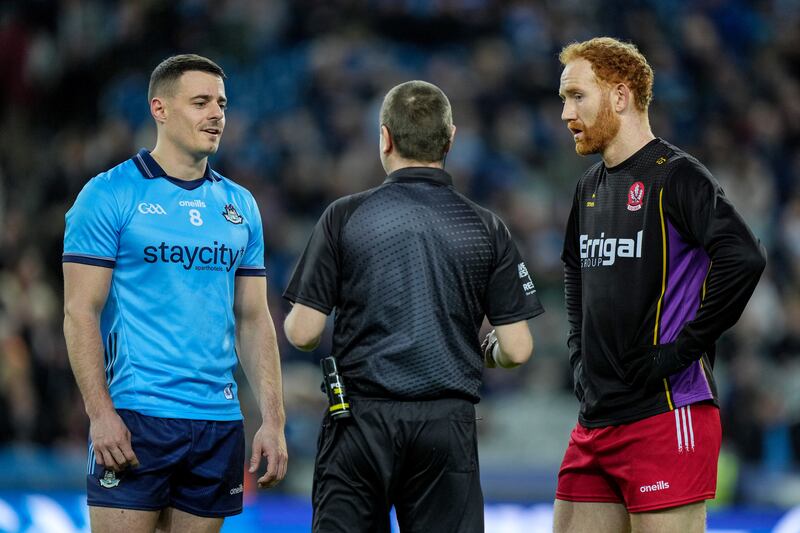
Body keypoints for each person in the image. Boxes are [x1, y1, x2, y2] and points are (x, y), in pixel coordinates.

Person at [282, 80, 544, 533]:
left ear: (384, 138)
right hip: (446, 426)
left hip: (360, 423)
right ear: (451, 140)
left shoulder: (344, 216)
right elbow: (518, 350)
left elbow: (303, 331)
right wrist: (488, 352)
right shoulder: (485, 226)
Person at [62, 54, 288, 533]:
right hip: (137, 415)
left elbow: (253, 318)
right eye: (201, 102)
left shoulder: (239, 206)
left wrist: (273, 419)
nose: (216, 115)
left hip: (217, 420)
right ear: (159, 109)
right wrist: (100, 414)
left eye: (222, 104)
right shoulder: (109, 195)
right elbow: (80, 311)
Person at [554, 37, 767, 533]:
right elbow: (573, 268)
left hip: (666, 414)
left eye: (577, 96)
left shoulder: (677, 176)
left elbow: (745, 257)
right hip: (595, 419)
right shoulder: (589, 187)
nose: (567, 113)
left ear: (621, 96)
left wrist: (682, 350)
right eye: (564, 98)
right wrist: (576, 354)